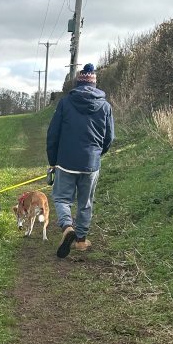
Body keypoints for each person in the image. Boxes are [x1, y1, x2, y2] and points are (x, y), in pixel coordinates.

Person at [46, 62, 114, 258]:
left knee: (61, 198)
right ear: (94, 84)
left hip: (66, 162)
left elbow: (53, 134)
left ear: (78, 83)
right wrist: (97, 154)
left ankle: (67, 228)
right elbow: (109, 138)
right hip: (91, 163)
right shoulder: (106, 106)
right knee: (86, 202)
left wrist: (53, 160)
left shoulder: (65, 103)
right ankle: (81, 241)